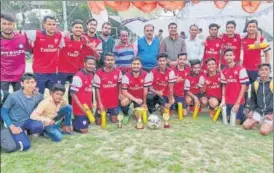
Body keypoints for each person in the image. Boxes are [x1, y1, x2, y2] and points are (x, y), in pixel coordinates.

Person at [1, 73, 44, 152]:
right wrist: (12, 126)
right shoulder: (13, 96)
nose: (30, 85)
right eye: (27, 82)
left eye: (32, 82)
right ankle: (14, 134)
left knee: (39, 126)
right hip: (15, 124)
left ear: (36, 83)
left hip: (27, 121)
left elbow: (44, 105)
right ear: (22, 83)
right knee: (25, 146)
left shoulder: (38, 96)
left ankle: (25, 131)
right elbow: (3, 111)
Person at [25, 16, 65, 94]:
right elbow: (23, 35)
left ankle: (52, 106)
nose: (52, 26)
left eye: (54, 24)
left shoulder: (59, 35)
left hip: (53, 71)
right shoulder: (36, 34)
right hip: (39, 71)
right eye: (49, 24)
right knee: (39, 94)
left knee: (54, 93)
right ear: (44, 25)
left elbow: (61, 46)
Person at [57, 19, 86, 104]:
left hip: (75, 71)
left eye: (80, 27)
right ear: (72, 29)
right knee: (59, 91)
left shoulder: (83, 41)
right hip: (62, 70)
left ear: (83, 30)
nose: (78, 29)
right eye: (76, 27)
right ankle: (57, 111)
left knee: (73, 92)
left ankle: (72, 109)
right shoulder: (65, 40)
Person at [1, 13, 31, 92]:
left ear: (14, 25)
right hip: (3, 76)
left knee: (19, 101)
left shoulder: (22, 38)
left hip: (19, 76)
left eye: (10, 24)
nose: (7, 27)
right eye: (4, 24)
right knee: (3, 101)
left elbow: (31, 50)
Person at [220, 48, 249, 124]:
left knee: (235, 123)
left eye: (230, 55)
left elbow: (244, 87)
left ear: (234, 56)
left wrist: (237, 103)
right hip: (228, 101)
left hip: (238, 101)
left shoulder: (241, 69)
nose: (229, 57)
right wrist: (223, 100)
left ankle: (244, 115)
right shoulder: (223, 71)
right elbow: (223, 86)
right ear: (224, 57)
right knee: (226, 121)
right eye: (227, 55)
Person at [243, 63, 273, 136]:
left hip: (270, 112)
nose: (264, 71)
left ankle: (269, 124)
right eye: (261, 70)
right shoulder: (255, 84)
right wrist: (251, 111)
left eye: (266, 70)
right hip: (259, 111)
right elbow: (253, 100)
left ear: (270, 71)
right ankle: (259, 121)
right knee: (245, 126)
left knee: (263, 132)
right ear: (258, 72)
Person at [120, 57, 151, 124]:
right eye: (134, 64)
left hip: (140, 98)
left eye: (138, 64)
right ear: (131, 65)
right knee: (123, 102)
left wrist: (144, 103)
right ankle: (126, 114)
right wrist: (135, 99)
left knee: (140, 118)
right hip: (130, 97)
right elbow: (124, 92)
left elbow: (145, 91)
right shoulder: (126, 76)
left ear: (141, 65)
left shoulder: (146, 75)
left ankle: (136, 110)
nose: (136, 66)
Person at [93, 52, 122, 123]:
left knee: (114, 121)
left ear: (114, 61)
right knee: (98, 123)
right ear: (104, 61)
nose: (110, 62)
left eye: (112, 60)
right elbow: (97, 89)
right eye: (108, 60)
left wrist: (120, 93)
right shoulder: (98, 73)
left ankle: (110, 112)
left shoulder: (118, 71)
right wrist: (99, 103)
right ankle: (99, 113)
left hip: (113, 102)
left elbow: (119, 84)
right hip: (103, 102)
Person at [70, 56, 96, 133]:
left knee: (93, 121)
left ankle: (81, 120)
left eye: (93, 64)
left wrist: (92, 103)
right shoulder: (78, 77)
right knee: (84, 130)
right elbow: (73, 94)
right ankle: (70, 122)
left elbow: (90, 90)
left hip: (88, 107)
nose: (91, 66)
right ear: (84, 64)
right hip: (79, 108)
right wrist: (82, 108)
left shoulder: (91, 74)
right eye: (89, 64)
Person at [242, 19, 271, 84]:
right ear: (246, 28)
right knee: (245, 89)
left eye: (253, 26)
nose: (251, 28)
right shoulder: (243, 38)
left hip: (257, 69)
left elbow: (267, 54)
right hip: (245, 69)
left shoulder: (262, 39)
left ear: (256, 28)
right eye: (250, 26)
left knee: (257, 89)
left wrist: (267, 67)